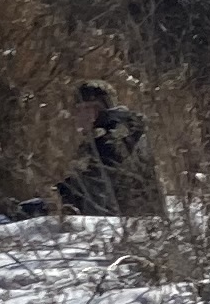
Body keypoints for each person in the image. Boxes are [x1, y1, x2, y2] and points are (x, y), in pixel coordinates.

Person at [55, 83, 161, 216]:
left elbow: (96, 183)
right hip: (139, 222)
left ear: (94, 110)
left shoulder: (111, 137)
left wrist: (57, 199)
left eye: (79, 109)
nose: (76, 116)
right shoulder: (121, 130)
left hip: (121, 224)